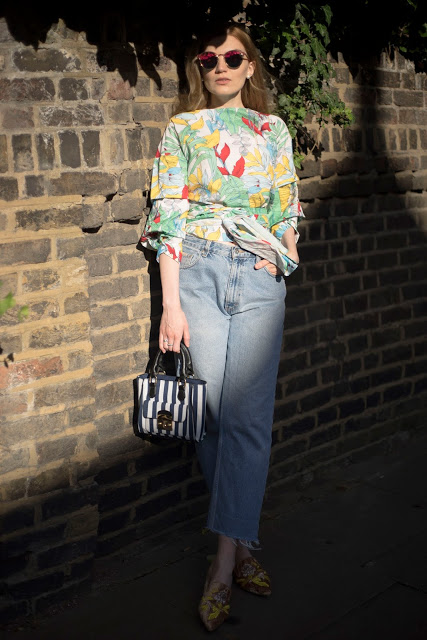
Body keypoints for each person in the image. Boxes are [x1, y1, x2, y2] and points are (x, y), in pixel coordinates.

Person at [140, 21, 304, 632]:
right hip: (199, 273)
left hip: (259, 277)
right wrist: (171, 305)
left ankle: (222, 563)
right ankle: (243, 547)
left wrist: (284, 255)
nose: (221, 67)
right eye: (210, 59)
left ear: (250, 66)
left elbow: (286, 205)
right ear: (200, 68)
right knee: (208, 415)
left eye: (233, 57)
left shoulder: (273, 130)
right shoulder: (183, 129)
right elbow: (167, 213)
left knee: (248, 421)